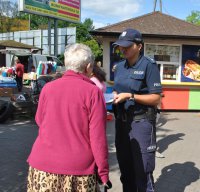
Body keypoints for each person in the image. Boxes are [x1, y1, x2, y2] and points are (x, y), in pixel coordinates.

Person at [27, 43, 112, 192]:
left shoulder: (48, 88)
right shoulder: (93, 92)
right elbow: (97, 138)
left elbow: (39, 120)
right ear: (88, 67)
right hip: (78, 172)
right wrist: (103, 173)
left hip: (42, 167)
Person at [112, 28, 162, 192]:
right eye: (120, 46)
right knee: (125, 170)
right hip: (122, 123)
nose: (123, 49)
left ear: (139, 46)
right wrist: (114, 94)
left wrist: (131, 96)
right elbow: (118, 90)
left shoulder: (149, 66)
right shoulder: (119, 67)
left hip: (142, 124)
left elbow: (156, 98)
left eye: (127, 45)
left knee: (143, 172)